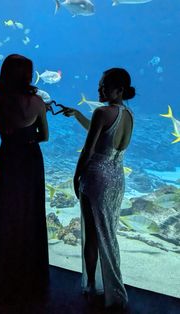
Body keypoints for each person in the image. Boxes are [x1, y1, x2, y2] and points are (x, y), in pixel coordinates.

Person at [63, 68, 134, 313]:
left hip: (95, 178)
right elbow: (103, 135)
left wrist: (76, 175)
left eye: (104, 86)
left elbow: (89, 148)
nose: (99, 90)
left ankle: (93, 285)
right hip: (116, 179)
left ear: (119, 89)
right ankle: (113, 286)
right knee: (109, 233)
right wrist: (78, 115)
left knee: (92, 236)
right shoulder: (128, 114)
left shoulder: (102, 112)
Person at [0, 54, 49, 302]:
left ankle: (2, 273)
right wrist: (29, 136)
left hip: (8, 158)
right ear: (27, 76)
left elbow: (5, 131)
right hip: (30, 160)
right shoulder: (37, 103)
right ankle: (30, 274)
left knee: (5, 213)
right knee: (29, 213)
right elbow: (44, 136)